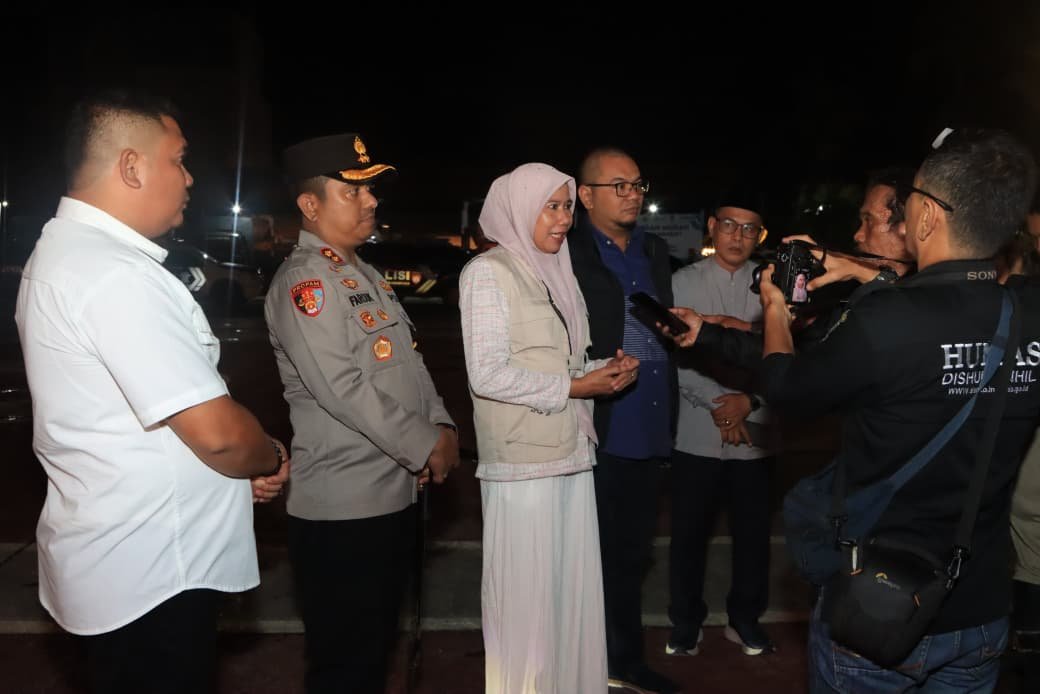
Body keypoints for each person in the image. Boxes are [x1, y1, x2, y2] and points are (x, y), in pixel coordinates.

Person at [673, 128, 1040, 691]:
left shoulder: (886, 322)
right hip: (981, 605)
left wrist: (776, 306)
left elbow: (788, 388)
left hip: (880, 605)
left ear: (925, 217)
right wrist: (860, 270)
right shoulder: (1027, 312)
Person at [15, 90, 289, 694]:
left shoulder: (70, 253)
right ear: (132, 166)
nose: (188, 178)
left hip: (128, 563)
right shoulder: (114, 273)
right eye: (179, 159)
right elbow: (218, 437)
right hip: (154, 574)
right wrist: (267, 455)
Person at [264, 133, 459, 694]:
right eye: (353, 191)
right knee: (346, 666)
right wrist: (424, 443)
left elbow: (409, 364)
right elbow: (342, 388)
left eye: (371, 189)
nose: (371, 200)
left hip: (391, 493)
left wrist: (441, 424)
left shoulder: (364, 273)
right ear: (310, 204)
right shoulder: (306, 282)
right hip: (344, 509)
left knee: (373, 658)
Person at [460, 162, 639, 693]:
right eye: (552, 207)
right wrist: (576, 387)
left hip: (571, 451)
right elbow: (487, 374)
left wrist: (602, 372)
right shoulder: (488, 273)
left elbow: (561, 364)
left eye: (567, 208)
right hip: (522, 464)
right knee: (527, 606)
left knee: (567, 596)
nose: (564, 220)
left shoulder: (555, 271)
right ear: (519, 209)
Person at [569, 147, 679, 693]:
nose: (632, 194)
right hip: (602, 425)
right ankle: (610, 662)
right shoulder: (566, 252)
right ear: (586, 196)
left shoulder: (653, 250)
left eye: (637, 184)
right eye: (619, 185)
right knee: (598, 556)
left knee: (633, 554)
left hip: (652, 423)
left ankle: (619, 660)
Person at [666, 194, 777, 659]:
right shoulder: (680, 283)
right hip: (697, 432)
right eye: (730, 224)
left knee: (753, 536)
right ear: (712, 226)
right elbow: (674, 356)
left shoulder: (774, 288)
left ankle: (744, 620)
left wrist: (749, 402)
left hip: (758, 433)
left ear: (760, 236)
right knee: (688, 535)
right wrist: (721, 405)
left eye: (750, 229)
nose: (738, 236)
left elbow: (785, 356)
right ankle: (686, 623)